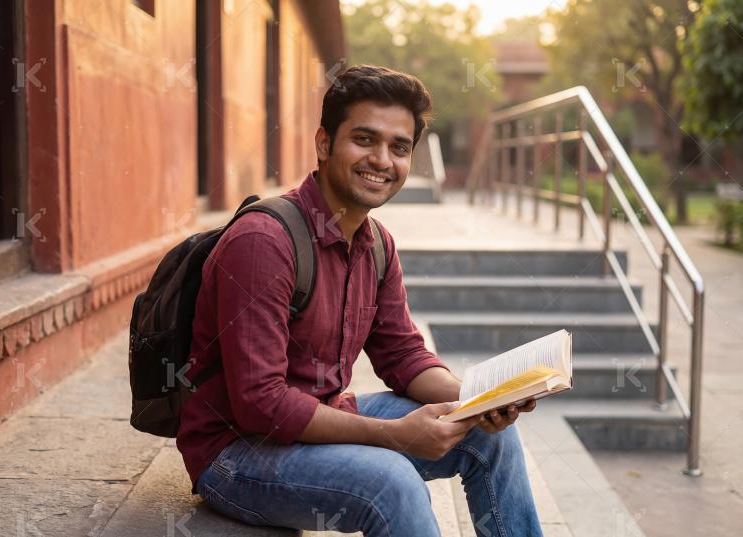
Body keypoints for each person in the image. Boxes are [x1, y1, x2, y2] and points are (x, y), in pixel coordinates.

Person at [177, 64, 543, 537]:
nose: (382, 160)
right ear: (324, 143)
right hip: (236, 455)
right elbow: (260, 406)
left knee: (492, 439)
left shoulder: (376, 244)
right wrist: (394, 436)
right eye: (365, 139)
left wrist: (481, 399)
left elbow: (403, 355)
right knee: (392, 481)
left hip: (322, 419)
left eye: (399, 147)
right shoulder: (264, 242)